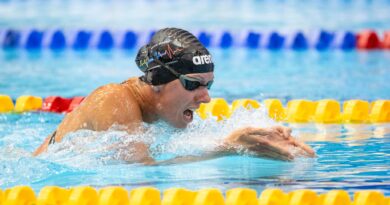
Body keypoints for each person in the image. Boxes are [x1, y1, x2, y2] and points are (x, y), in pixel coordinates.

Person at [34, 28, 315, 164]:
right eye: (193, 85)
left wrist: (252, 139)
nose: (205, 98)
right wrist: (227, 148)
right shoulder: (114, 99)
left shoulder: (156, 114)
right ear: (157, 81)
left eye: (209, 86)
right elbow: (140, 177)